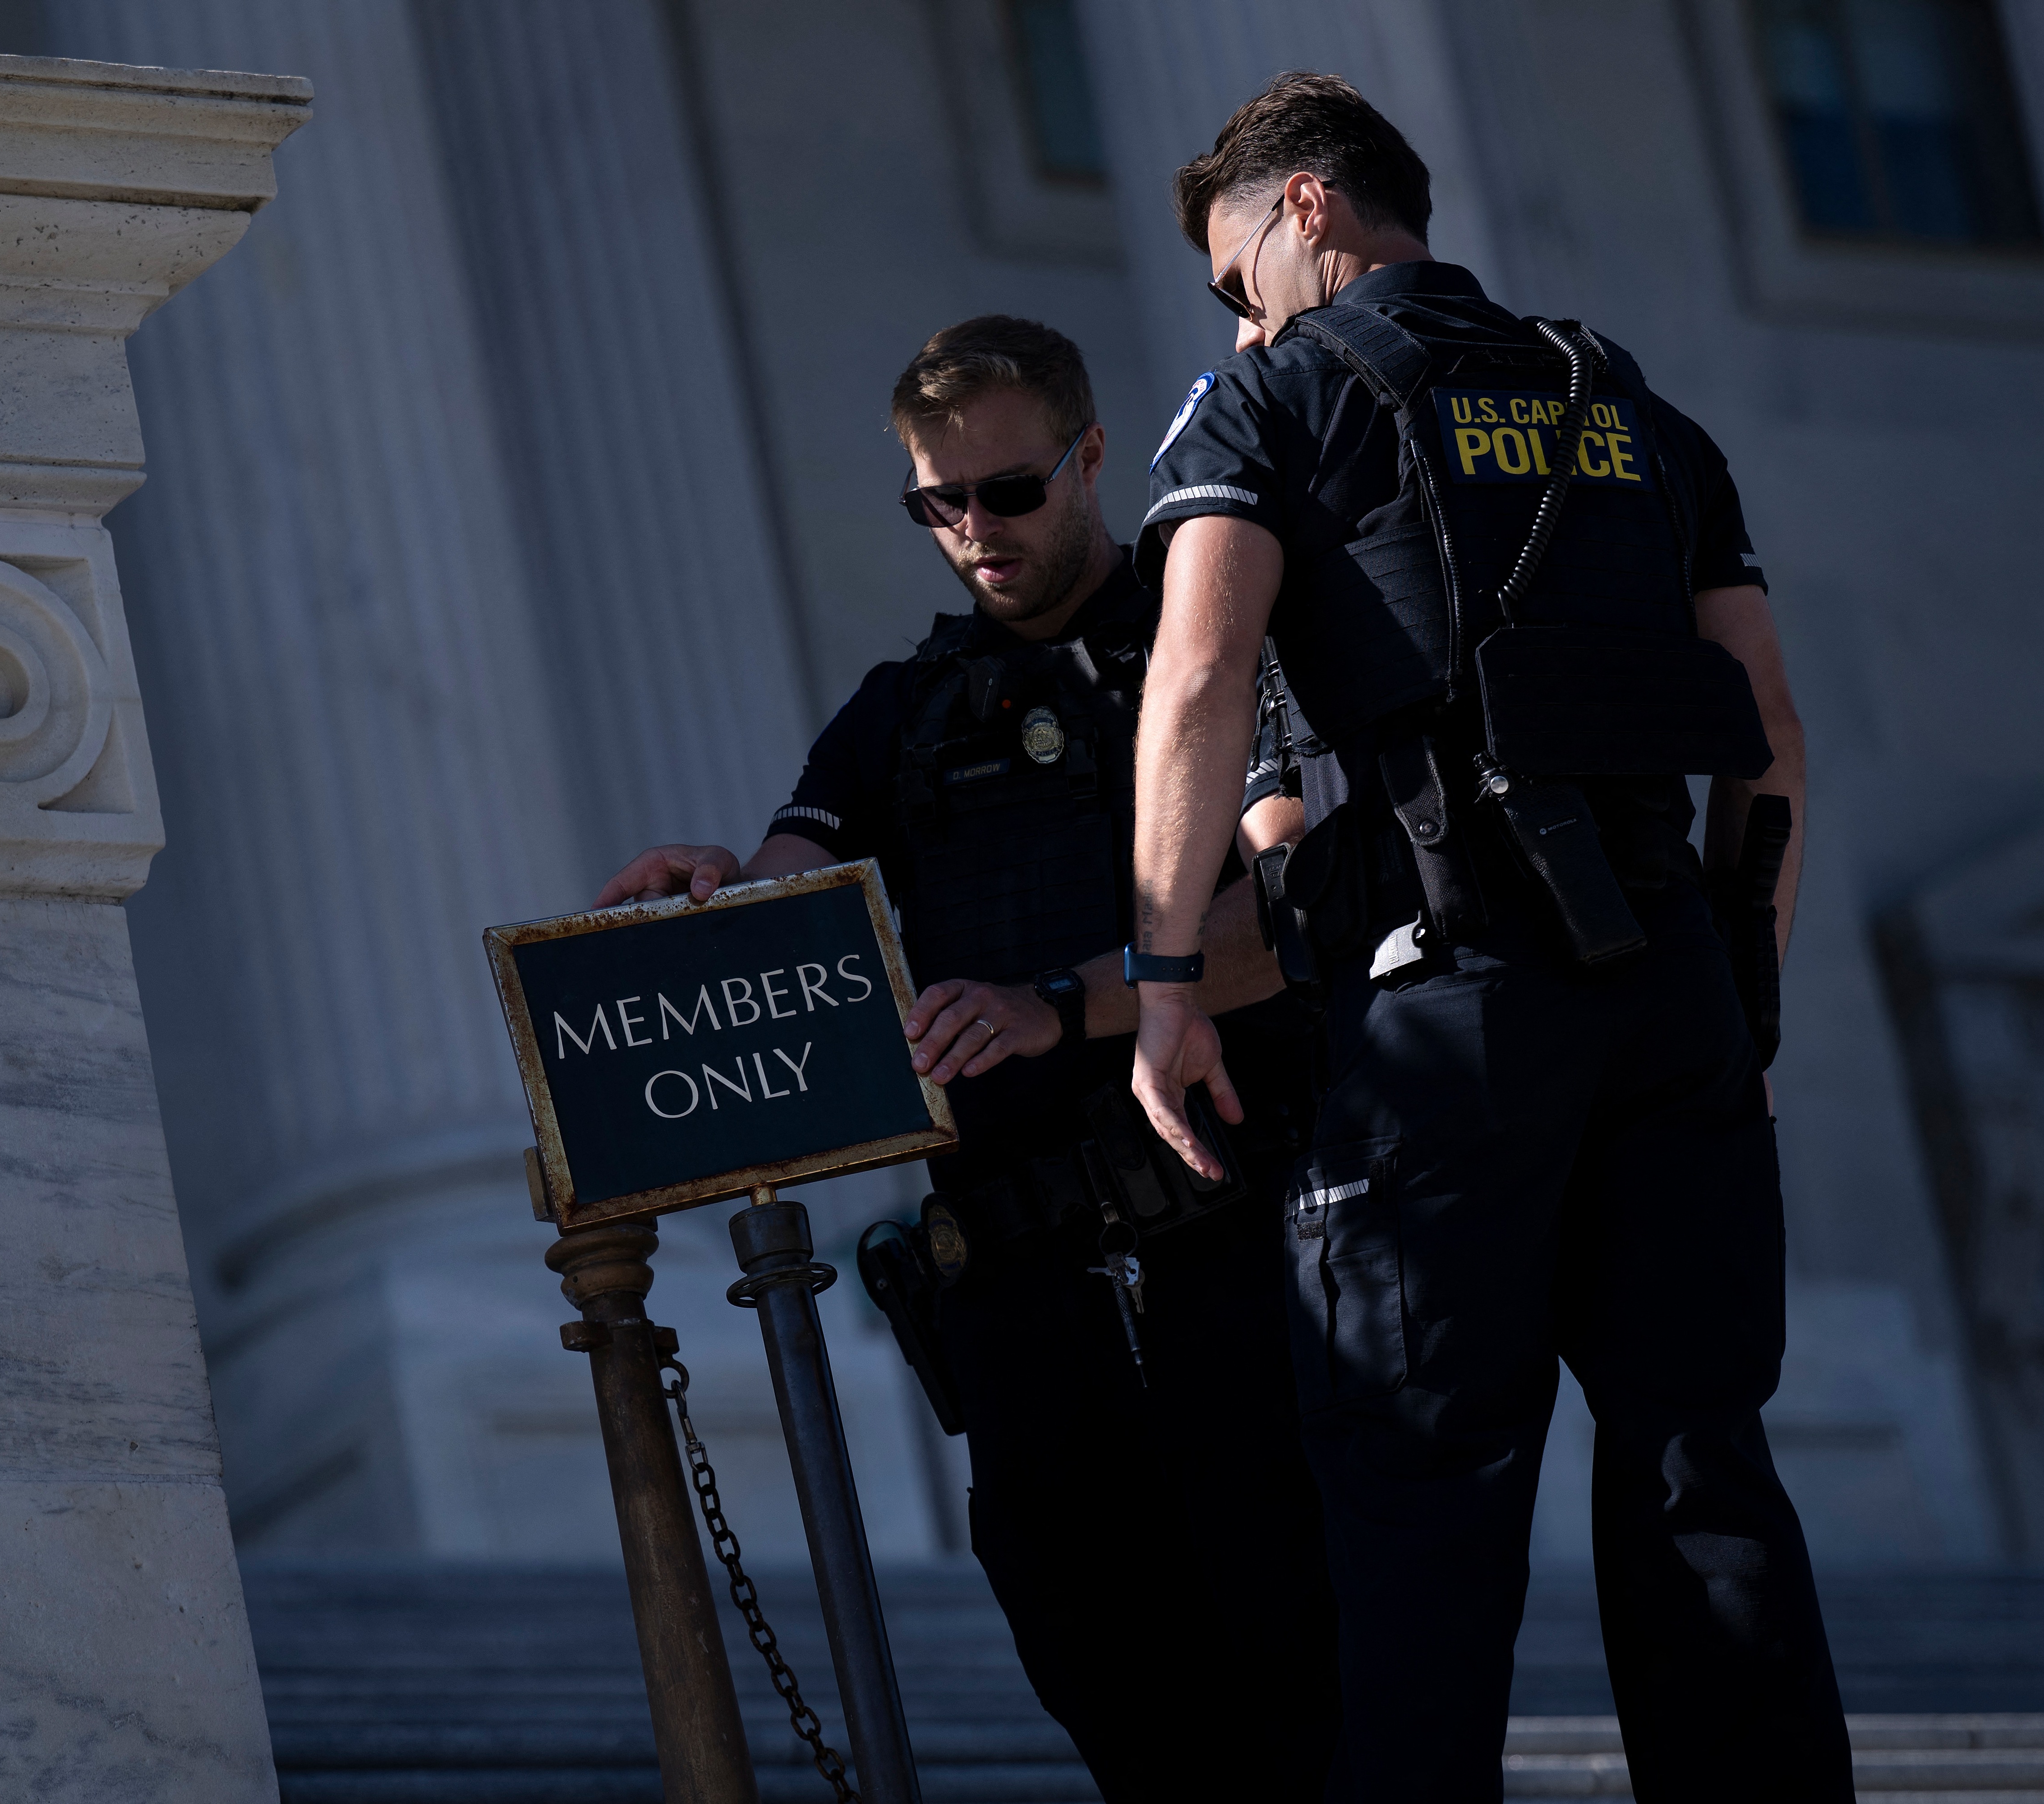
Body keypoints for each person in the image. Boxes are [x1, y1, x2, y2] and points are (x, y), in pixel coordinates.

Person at [1119, 73, 1854, 1803]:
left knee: (1415, 1496)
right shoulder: (1633, 406)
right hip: (1674, 989)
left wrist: (1162, 984)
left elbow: (1201, 680)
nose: (1234, 311)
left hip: (1449, 1013)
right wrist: (1742, 1001)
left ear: (1306, 208)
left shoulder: (1269, 403)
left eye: (1236, 272)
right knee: (1703, 1474)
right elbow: (1772, 735)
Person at [594, 316, 1340, 1802]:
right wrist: (708, 895)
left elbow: (1294, 913)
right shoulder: (901, 713)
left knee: (1312, 1694)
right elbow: (786, 885)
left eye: (1007, 492)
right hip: (1019, 1289)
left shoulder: (1210, 653)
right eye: (939, 504)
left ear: (1088, 459)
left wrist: (1059, 1006)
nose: (975, 533)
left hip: (1233, 1261)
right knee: (1115, 1695)